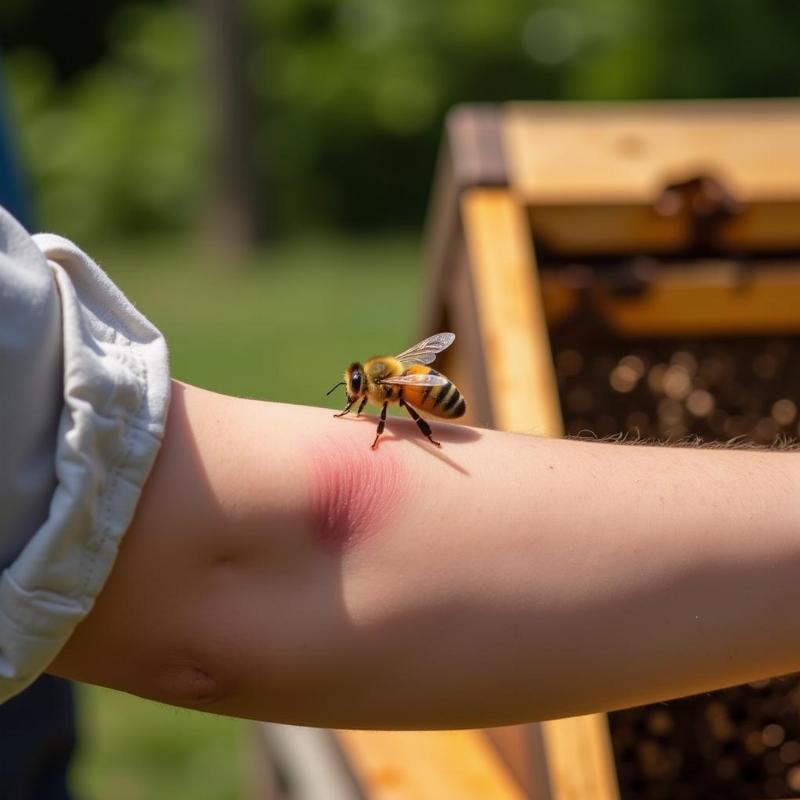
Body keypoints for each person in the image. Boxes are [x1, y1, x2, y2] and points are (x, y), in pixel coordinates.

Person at [2, 204, 800, 732]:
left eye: (359, 394)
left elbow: (260, 560)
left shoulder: (392, 387)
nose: (357, 399)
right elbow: (278, 550)